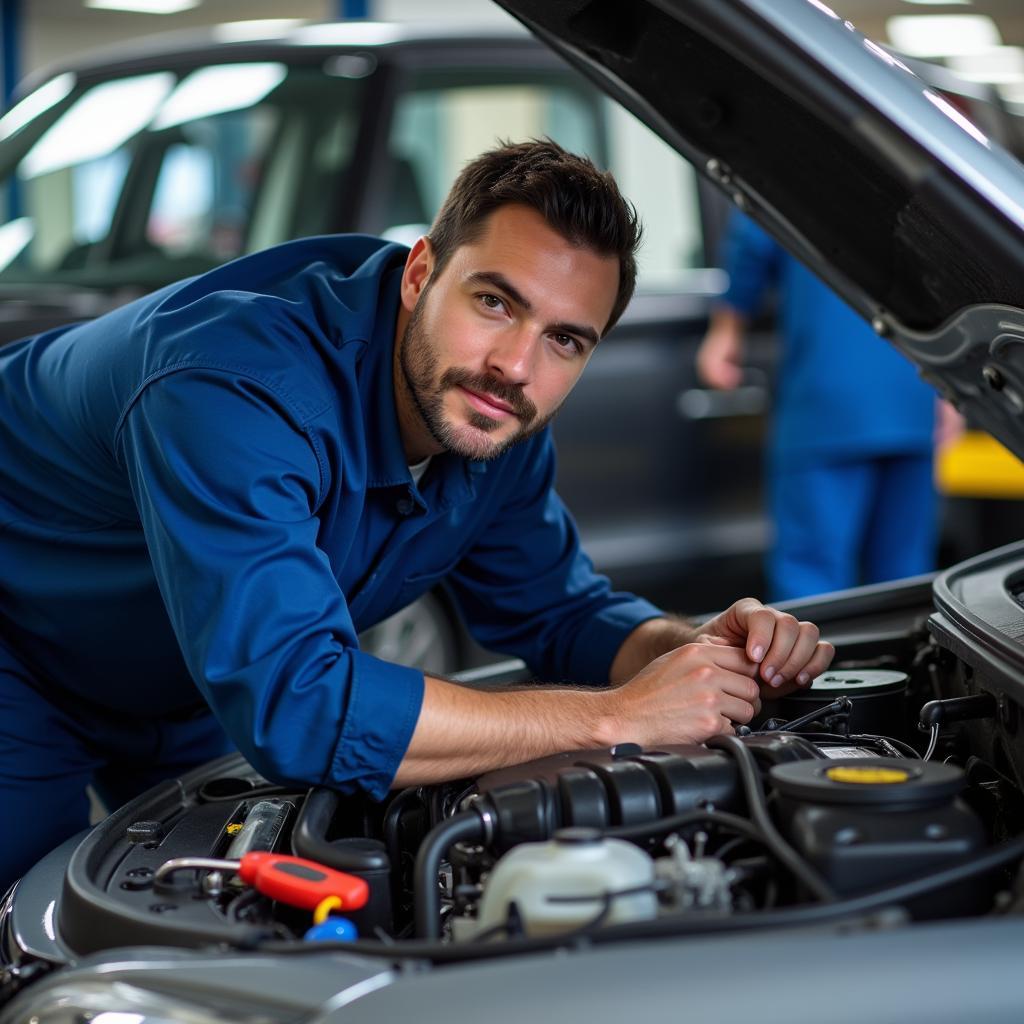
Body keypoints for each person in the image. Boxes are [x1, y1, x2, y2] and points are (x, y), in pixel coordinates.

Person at [0, 141, 833, 890]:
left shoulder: (495, 425)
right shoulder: (230, 385)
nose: (514, 367)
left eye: (565, 340)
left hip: (183, 677)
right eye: (496, 303)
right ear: (419, 273)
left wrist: (691, 651)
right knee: (25, 922)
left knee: (201, 914)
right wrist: (618, 716)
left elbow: (560, 610)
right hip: (19, 648)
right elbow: (298, 703)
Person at [697, 212, 938, 601]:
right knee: (905, 576)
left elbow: (753, 240)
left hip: (826, 405)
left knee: (812, 581)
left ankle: (813, 665)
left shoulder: (799, 166)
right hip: (911, 398)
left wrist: (726, 330)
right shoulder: (917, 179)